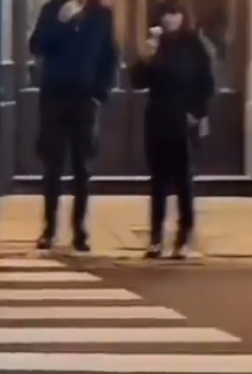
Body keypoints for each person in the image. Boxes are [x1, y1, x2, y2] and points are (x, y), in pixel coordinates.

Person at [29, 0, 118, 251]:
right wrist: (60, 21)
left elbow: (109, 56)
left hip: (84, 100)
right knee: (52, 167)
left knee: (82, 169)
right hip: (54, 97)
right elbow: (36, 46)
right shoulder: (52, 9)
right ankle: (49, 229)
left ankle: (79, 230)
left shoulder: (101, 15)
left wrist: (100, 92)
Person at [130, 0, 215, 259]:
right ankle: (156, 236)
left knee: (183, 180)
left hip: (183, 118)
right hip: (157, 117)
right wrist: (146, 55)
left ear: (183, 16)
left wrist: (198, 113)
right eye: (165, 15)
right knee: (157, 181)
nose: (169, 19)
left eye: (174, 14)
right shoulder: (158, 45)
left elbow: (206, 82)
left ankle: (185, 235)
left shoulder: (194, 45)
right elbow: (138, 82)